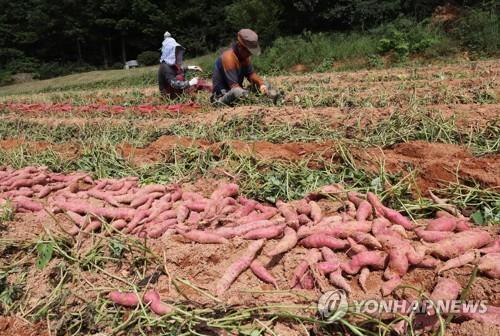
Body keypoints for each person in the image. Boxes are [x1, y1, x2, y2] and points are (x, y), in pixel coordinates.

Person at [211, 29, 271, 105]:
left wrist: (261, 84)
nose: (250, 54)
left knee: (266, 84)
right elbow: (234, 87)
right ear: (240, 46)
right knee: (237, 91)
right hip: (222, 97)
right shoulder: (229, 58)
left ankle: (271, 97)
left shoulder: (244, 57)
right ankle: (257, 102)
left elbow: (251, 75)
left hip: (238, 92)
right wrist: (249, 95)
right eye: (248, 51)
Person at [158, 31, 209, 98]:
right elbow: (174, 83)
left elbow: (177, 70)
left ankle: (213, 91)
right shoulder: (165, 66)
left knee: (198, 81)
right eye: (175, 51)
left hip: (176, 89)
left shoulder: (169, 63)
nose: (176, 53)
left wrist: (190, 67)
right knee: (180, 78)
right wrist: (190, 83)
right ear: (169, 51)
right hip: (168, 95)